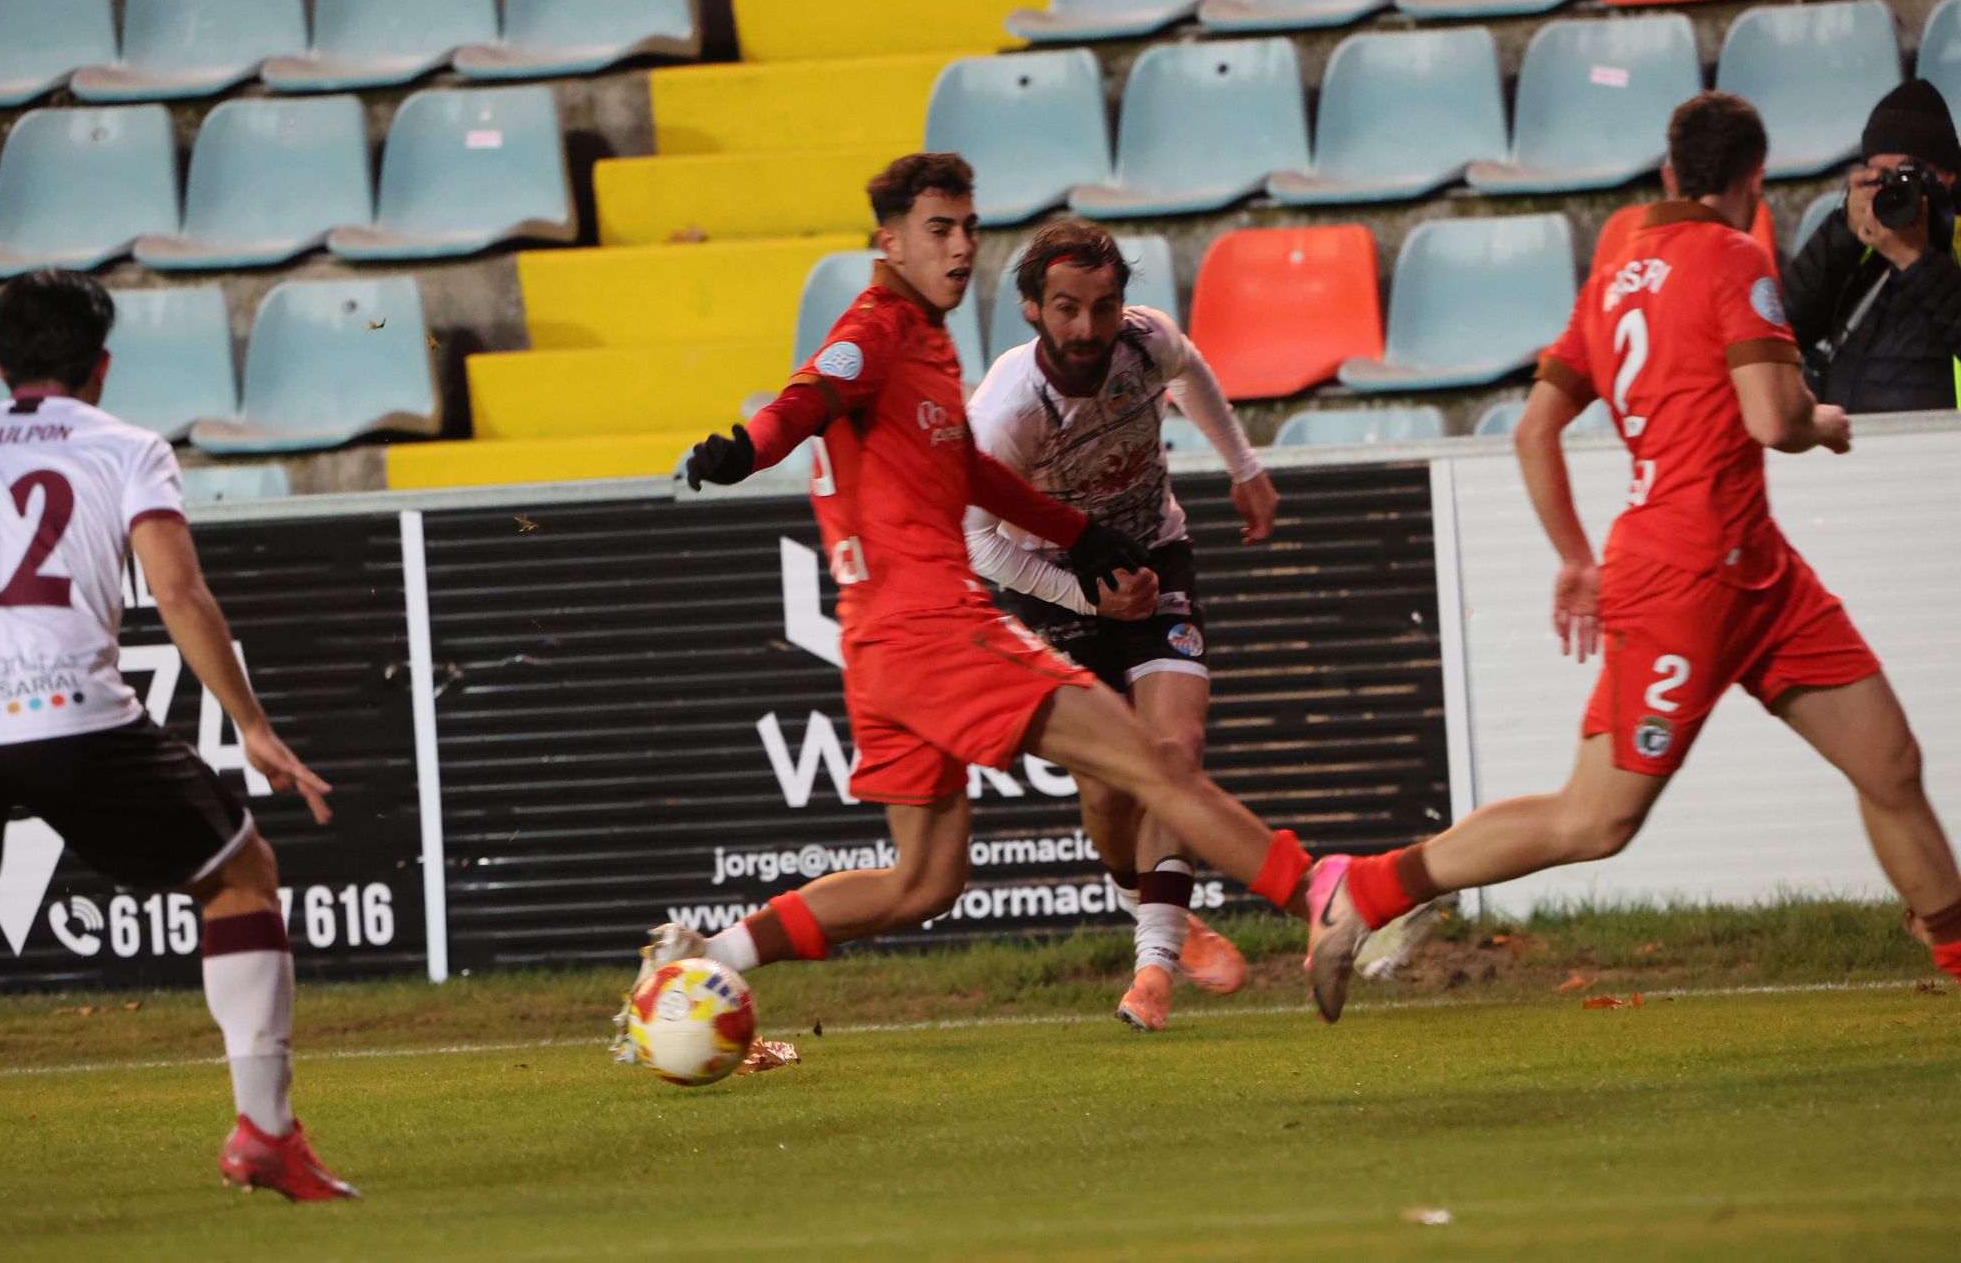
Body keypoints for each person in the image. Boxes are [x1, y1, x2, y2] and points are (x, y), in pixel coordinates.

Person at [618, 154, 1326, 1028]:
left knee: (922, 882)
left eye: (968, 229)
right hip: (934, 628)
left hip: (877, 648)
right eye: (938, 230)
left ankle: (707, 956)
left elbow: (962, 472)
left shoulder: (929, 339)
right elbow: (805, 397)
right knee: (1154, 762)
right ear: (890, 240)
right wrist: (744, 450)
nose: (960, 250)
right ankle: (1335, 898)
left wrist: (1081, 532)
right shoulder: (878, 332)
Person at [1303, 93, 1961, 1022]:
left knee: (1888, 762)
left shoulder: (1613, 277)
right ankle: (1366, 891)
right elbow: (1773, 419)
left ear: (1666, 176)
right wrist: (1822, 425)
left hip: (1754, 572)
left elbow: (1535, 430)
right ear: (1752, 183)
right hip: (1689, 577)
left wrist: (1574, 557)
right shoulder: (1738, 255)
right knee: (1594, 819)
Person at [0, 271, 356, 1202]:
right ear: (101, 366)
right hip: (69, 713)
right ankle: (266, 1134)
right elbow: (179, 590)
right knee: (240, 875)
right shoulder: (127, 448)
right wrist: (252, 726)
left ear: (0, 364)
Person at [961, 219, 1277, 1031]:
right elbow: (977, 542)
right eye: (1066, 307)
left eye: (1104, 307)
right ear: (1031, 309)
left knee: (1175, 753)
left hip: (1154, 555)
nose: (1087, 329)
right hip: (1055, 587)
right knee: (1107, 787)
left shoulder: (1145, 343)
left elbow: (1194, 369)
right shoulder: (1007, 412)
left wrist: (1244, 469)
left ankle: (1153, 971)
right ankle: (1148, 900)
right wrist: (1084, 601)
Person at [1785, 78, 1961, 412]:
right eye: (1879, 175)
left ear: (1947, 176)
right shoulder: (1861, 238)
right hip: (1850, 442)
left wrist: (1915, 259)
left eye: (1907, 174)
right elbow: (1784, 333)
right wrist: (1842, 231)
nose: (1892, 189)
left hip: (1943, 448)